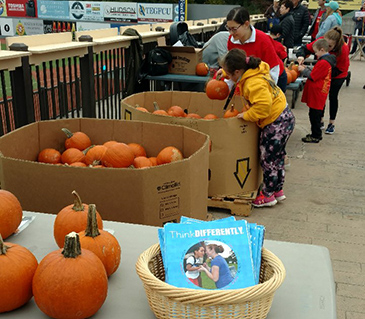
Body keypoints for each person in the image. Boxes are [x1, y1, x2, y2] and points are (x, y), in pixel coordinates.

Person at [219, 49, 295, 207]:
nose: (229, 77)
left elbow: (263, 107)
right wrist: (224, 74)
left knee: (268, 159)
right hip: (284, 117)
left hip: (276, 122)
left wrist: (246, 116)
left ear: (238, 71)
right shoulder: (254, 71)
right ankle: (277, 190)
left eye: (229, 74)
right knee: (278, 157)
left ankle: (267, 195)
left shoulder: (253, 83)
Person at [296, 27, 349, 134]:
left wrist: (321, 73)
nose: (326, 48)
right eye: (325, 45)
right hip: (323, 70)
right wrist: (301, 56)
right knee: (321, 95)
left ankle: (331, 123)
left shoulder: (343, 49)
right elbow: (305, 48)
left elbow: (340, 69)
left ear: (336, 45)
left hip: (338, 73)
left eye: (329, 46)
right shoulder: (321, 43)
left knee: (333, 96)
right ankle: (320, 119)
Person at [224, 6, 288, 93]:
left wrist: (267, 91)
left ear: (246, 24)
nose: (231, 33)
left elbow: (274, 69)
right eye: (228, 28)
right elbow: (233, 66)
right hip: (251, 79)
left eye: (234, 29)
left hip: (273, 77)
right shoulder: (232, 41)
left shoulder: (263, 40)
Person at [299, 39, 336, 143]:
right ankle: (316, 134)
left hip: (318, 92)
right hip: (320, 92)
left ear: (322, 50)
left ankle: (315, 135)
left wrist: (303, 70)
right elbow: (317, 71)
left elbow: (313, 76)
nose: (315, 54)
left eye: (315, 52)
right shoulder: (325, 61)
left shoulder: (324, 62)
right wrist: (307, 68)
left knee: (314, 116)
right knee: (315, 114)